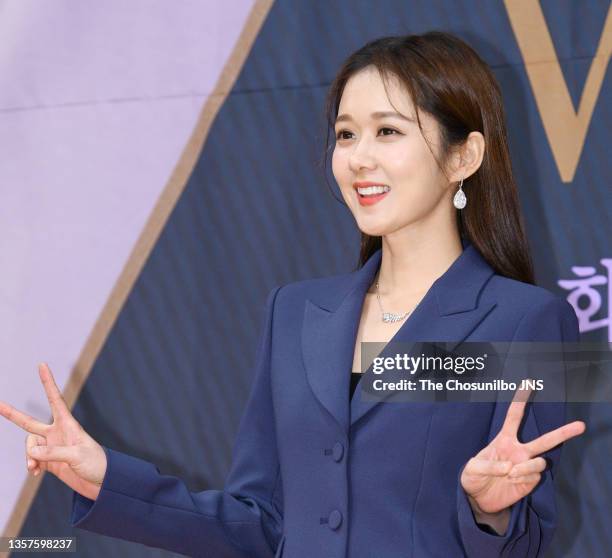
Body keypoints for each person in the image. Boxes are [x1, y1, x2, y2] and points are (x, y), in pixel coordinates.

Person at [0, 31, 586, 557]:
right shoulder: (296, 313)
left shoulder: (522, 321)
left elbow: (527, 542)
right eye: (345, 135)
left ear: (464, 156)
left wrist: (491, 508)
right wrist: (102, 475)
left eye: (388, 131)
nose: (359, 158)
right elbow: (258, 523)